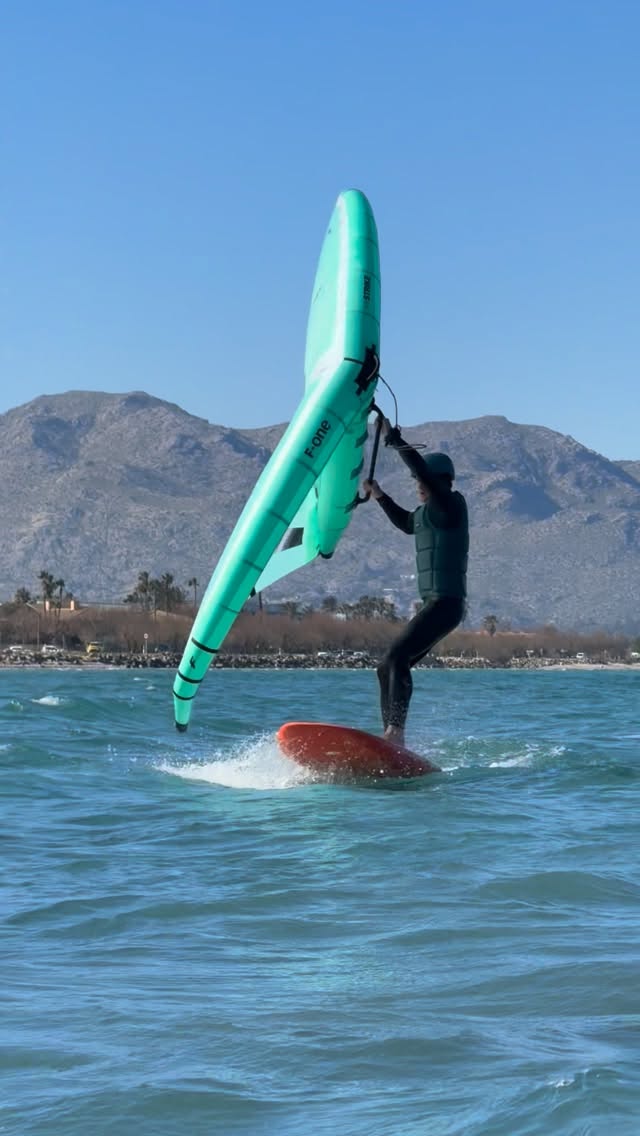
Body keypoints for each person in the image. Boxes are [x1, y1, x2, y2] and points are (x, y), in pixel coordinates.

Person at [362, 419, 469, 748]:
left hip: (446, 603)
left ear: (438, 481)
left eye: (421, 480)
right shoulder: (424, 515)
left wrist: (392, 438)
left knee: (396, 656)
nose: (417, 485)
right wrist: (380, 496)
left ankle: (396, 734)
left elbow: (422, 472)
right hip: (434, 604)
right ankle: (391, 739)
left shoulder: (449, 506)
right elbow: (405, 522)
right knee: (387, 666)